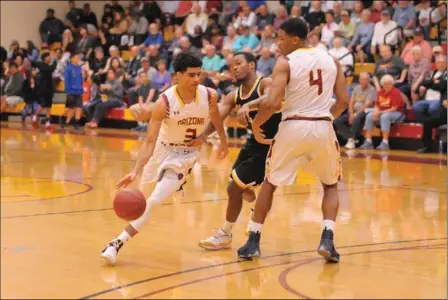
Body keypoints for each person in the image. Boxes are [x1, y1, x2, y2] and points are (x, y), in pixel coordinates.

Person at [237, 18, 350, 263]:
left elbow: (272, 103)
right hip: (322, 125)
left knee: (269, 183)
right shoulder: (333, 61)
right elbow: (343, 101)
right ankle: (327, 239)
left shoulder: (286, 62)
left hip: (293, 125)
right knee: (330, 184)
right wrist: (325, 117)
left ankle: (253, 241)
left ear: (295, 39)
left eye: (281, 37)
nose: (277, 43)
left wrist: (256, 125)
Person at [100, 52, 229, 265]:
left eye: (199, 74)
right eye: (191, 75)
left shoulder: (209, 95)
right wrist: (135, 170)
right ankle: (169, 186)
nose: (197, 80)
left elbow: (215, 115)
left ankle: (116, 243)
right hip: (161, 150)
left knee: (153, 202)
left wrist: (216, 138)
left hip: (184, 156)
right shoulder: (164, 103)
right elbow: (149, 143)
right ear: (176, 76)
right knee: (142, 200)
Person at [197, 52, 281, 250]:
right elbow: (217, 119)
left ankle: (225, 234)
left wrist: (250, 105)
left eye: (238, 63)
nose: (234, 68)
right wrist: (201, 137)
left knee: (234, 187)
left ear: (251, 65)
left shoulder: (265, 83)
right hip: (253, 143)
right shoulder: (233, 95)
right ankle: (258, 207)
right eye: (231, 65)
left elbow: (272, 97)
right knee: (240, 190)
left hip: (272, 146)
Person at [62, 52, 83, 129]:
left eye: (78, 58)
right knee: (71, 108)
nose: (78, 59)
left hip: (79, 91)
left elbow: (81, 79)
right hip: (71, 91)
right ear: (72, 59)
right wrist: (68, 90)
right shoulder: (68, 68)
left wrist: (81, 88)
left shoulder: (79, 68)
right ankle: (65, 121)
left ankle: (76, 123)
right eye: (76, 57)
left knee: (79, 107)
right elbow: (67, 80)